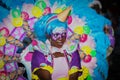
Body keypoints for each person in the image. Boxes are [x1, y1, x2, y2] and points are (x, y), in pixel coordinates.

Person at [31, 7, 84, 80]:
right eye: (56, 34)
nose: (61, 38)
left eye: (63, 34)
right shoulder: (40, 51)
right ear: (47, 34)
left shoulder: (72, 49)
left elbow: (74, 75)